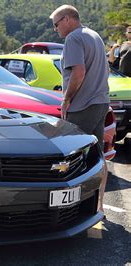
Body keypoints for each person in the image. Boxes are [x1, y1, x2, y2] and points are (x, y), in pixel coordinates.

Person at [50, 5, 110, 213]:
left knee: (70, 159)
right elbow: (106, 70)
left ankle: (69, 210)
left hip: (82, 106)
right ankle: (98, 206)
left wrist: (66, 100)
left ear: (67, 19)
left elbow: (79, 72)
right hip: (100, 103)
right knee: (97, 157)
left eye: (56, 24)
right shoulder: (95, 36)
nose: (55, 29)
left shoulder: (73, 38)